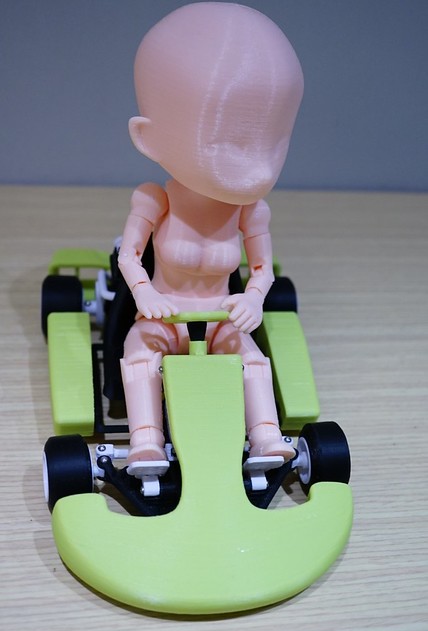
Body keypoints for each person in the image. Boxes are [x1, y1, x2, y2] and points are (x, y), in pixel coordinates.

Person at [118, 2, 304, 472]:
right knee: (139, 353)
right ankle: (146, 442)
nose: (257, 167)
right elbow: (129, 256)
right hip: (164, 316)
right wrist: (145, 292)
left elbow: (261, 268)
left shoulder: (249, 209)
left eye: (274, 141)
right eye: (230, 141)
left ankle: (266, 437)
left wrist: (254, 299)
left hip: (222, 317)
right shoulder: (155, 199)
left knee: (252, 359)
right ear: (148, 138)